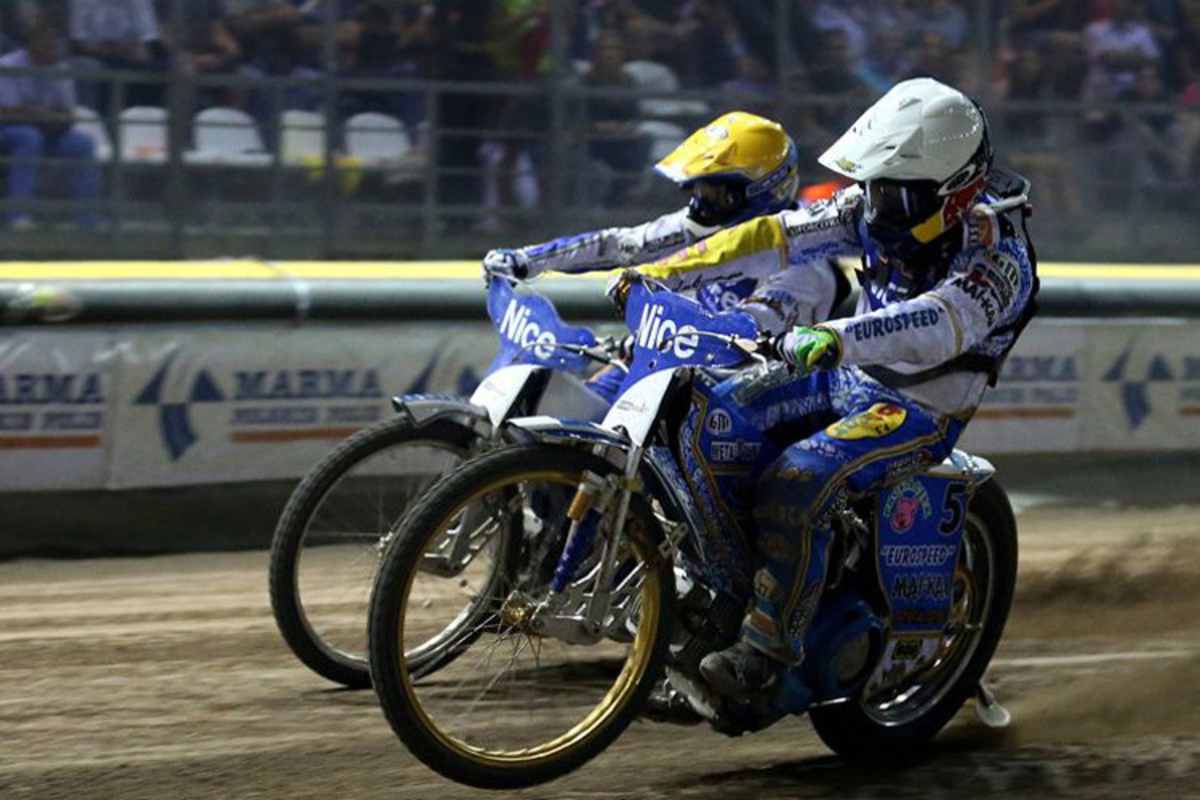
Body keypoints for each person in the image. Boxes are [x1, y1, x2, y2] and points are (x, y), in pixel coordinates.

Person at [614, 78, 1037, 707]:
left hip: (917, 409)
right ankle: (719, 589)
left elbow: (938, 323)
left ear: (952, 193)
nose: (875, 206)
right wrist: (663, 272)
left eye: (894, 193)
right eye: (873, 186)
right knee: (707, 409)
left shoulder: (999, 257)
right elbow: (772, 236)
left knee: (799, 478)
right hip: (841, 372)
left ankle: (764, 653)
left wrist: (835, 336)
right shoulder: (868, 207)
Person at [0, 20, 101, 230]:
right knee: (29, 137)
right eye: (46, 43)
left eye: (54, 44)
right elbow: (7, 112)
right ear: (31, 45)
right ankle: (18, 215)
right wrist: (43, 116)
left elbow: (69, 115)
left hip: (47, 130)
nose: (52, 48)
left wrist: (43, 116)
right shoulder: (8, 66)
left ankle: (86, 220)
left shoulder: (60, 69)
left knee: (83, 144)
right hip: (9, 130)